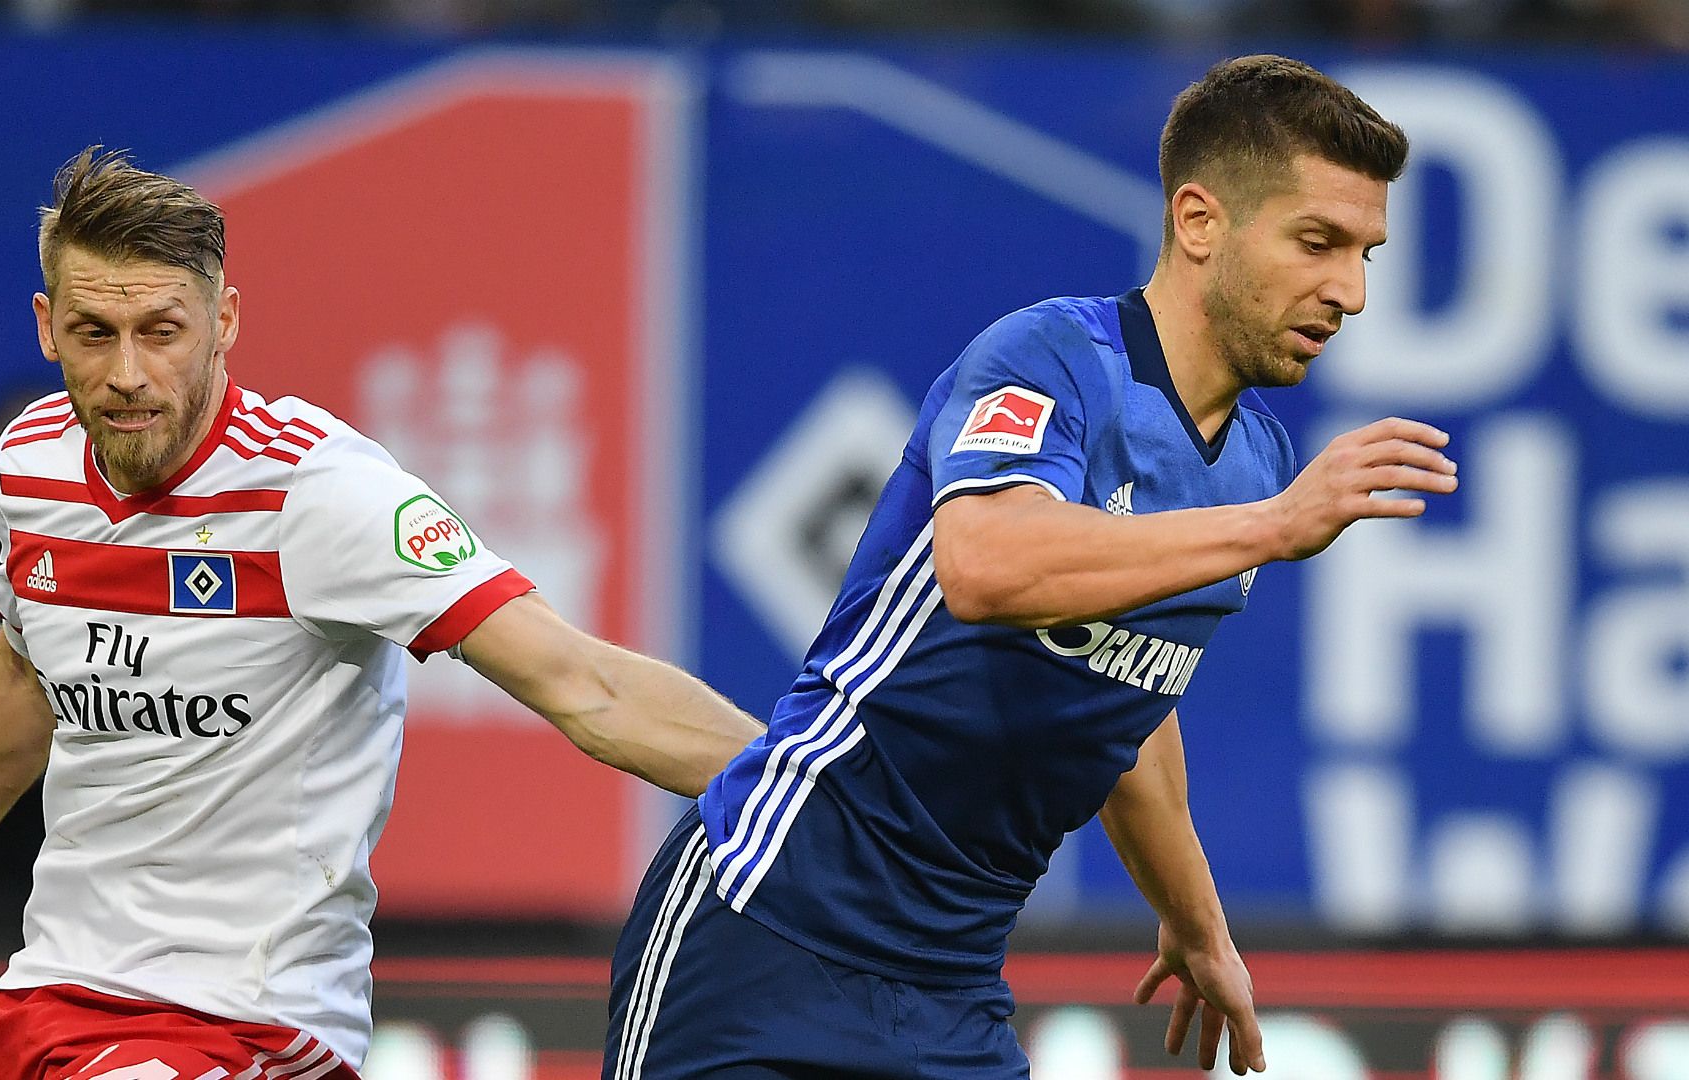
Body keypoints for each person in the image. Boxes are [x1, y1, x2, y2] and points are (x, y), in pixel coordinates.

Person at [0, 146, 765, 1080]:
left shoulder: (318, 491)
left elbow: (583, 683)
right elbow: (29, 669)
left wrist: (827, 797)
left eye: (163, 330)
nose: (129, 375)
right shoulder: (32, 463)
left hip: (245, 1023)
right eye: (94, 333)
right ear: (45, 326)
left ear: (225, 320)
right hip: (49, 994)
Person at [607, 54, 1452, 1078]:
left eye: (1367, 253)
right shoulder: (1054, 360)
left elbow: (1125, 703)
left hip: (951, 989)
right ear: (1198, 222)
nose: (1350, 292)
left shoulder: (1257, 459)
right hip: (767, 935)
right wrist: (1274, 528)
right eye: (1317, 242)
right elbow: (988, 564)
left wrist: (1198, 926)